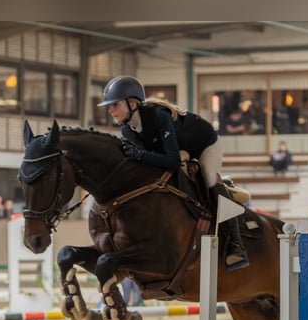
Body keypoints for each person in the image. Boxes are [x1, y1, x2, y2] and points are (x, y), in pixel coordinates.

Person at [98, 75, 248, 270]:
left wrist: (141, 155)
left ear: (133, 104)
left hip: (204, 144)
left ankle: (236, 245)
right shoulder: (127, 130)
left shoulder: (159, 116)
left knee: (209, 176)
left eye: (115, 105)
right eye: (109, 106)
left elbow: (172, 161)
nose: (111, 110)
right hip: (178, 149)